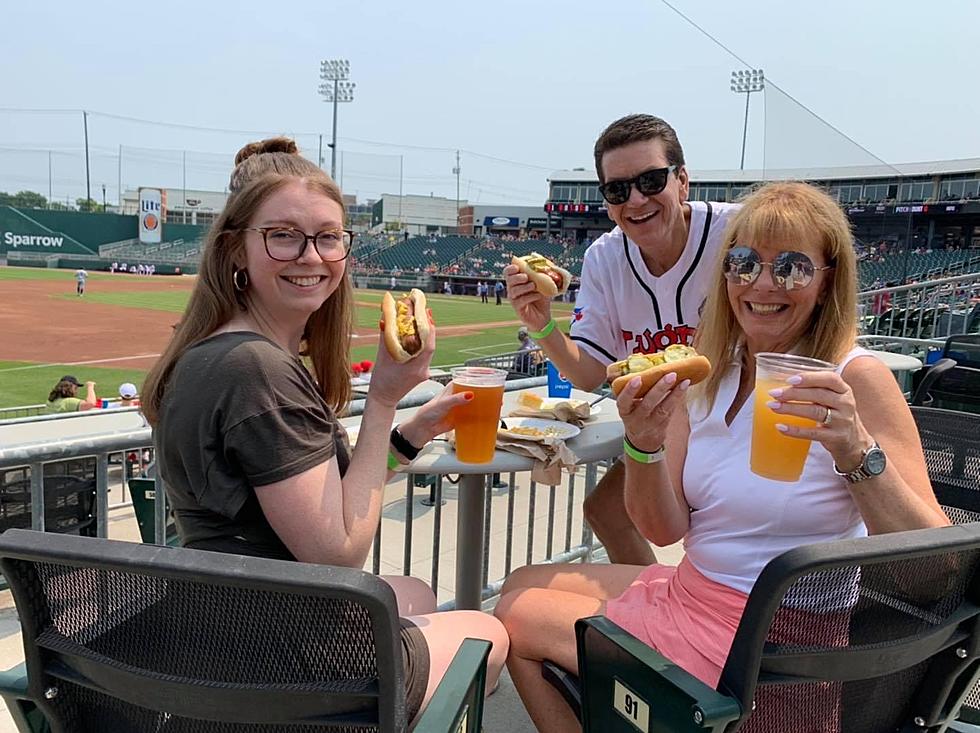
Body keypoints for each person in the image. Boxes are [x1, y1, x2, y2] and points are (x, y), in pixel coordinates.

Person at [494, 182, 950, 733]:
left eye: (792, 267)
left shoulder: (855, 379)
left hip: (775, 637)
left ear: (830, 280)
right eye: (742, 263)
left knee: (515, 617)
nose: (761, 283)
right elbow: (662, 531)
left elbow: (937, 568)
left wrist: (856, 451)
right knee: (522, 580)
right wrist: (644, 442)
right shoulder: (708, 372)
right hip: (693, 590)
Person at [141, 137, 507, 723]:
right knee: (486, 630)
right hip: (276, 657)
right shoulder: (254, 371)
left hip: (222, 620)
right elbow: (336, 555)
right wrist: (385, 396)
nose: (311, 255)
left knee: (411, 590)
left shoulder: (221, 352)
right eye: (283, 235)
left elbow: (319, 494)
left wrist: (411, 430)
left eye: (328, 236)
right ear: (236, 249)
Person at [504, 114, 741, 565]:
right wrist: (541, 323)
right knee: (608, 512)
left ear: (683, 181)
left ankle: (689, 609)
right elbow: (589, 372)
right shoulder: (605, 256)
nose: (636, 200)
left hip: (739, 416)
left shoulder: (739, 232)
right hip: (666, 423)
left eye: (651, 181)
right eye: (617, 190)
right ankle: (657, 610)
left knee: (713, 520)